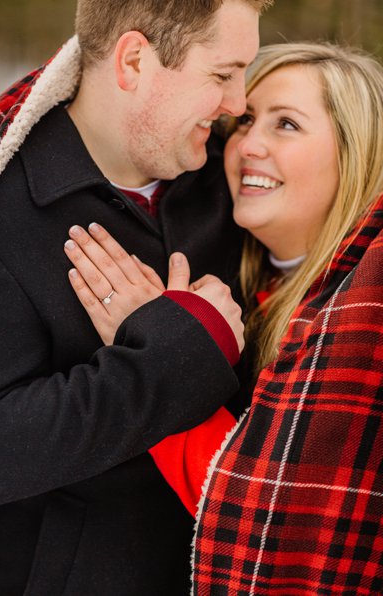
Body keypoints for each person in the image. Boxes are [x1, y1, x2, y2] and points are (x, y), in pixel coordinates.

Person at [65, 42, 383, 593]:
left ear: (357, 152)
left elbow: (277, 518)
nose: (248, 146)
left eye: (286, 124)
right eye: (244, 121)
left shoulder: (364, 315)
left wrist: (158, 359)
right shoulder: (264, 287)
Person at [0, 0, 270, 592]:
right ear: (135, 60)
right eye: (222, 74)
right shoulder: (0, 206)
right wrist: (176, 353)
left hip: (224, 565)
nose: (239, 105)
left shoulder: (232, 181)